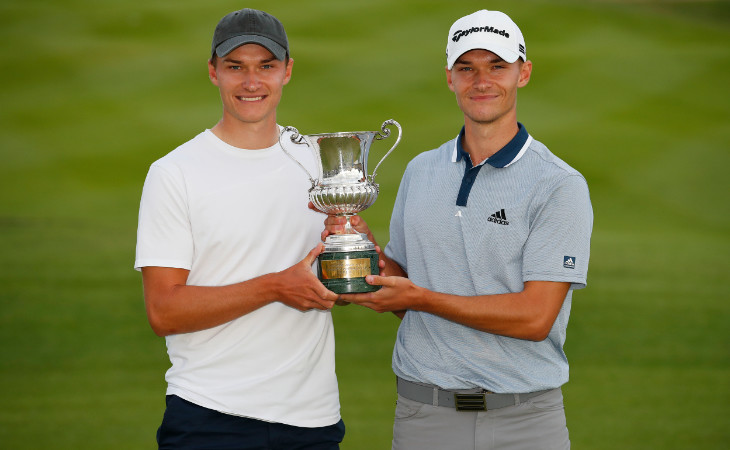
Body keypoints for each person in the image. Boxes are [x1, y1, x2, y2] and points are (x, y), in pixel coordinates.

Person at [323, 9, 593, 450]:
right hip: (424, 415)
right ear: (450, 77)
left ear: (523, 73)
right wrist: (363, 245)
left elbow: (535, 317)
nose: (481, 81)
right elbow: (402, 284)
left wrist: (421, 298)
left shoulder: (558, 184)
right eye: (467, 68)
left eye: (497, 67)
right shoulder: (420, 170)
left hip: (525, 420)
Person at [134, 8, 345, 449]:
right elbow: (164, 311)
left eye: (266, 66)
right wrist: (274, 287)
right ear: (214, 72)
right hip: (209, 416)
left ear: (287, 71)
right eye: (236, 67)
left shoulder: (318, 162)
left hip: (312, 419)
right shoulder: (174, 173)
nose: (252, 82)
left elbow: (340, 285)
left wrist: (350, 246)